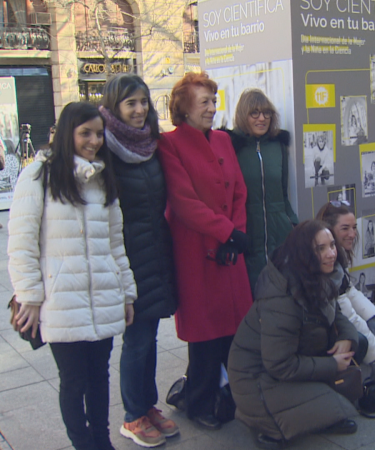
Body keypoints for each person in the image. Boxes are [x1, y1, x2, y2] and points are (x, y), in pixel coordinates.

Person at [8, 102, 136, 450]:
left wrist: (126, 292)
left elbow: (115, 243)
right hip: (61, 300)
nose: (94, 141)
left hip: (104, 295)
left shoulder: (103, 178)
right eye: (85, 133)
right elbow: (21, 244)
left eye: (98, 134)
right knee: (73, 380)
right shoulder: (38, 175)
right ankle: (83, 444)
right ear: (68, 133)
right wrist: (30, 297)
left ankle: (102, 440)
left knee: (99, 378)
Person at [158, 72, 253, 430]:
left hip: (229, 251)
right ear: (183, 109)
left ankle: (227, 394)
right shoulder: (170, 144)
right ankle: (198, 401)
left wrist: (237, 233)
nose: (213, 109)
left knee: (233, 329)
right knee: (205, 335)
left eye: (214, 102)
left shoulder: (224, 141)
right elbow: (183, 202)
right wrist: (227, 233)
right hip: (197, 253)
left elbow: (239, 191)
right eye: (205, 103)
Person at [228, 220, 360, 449]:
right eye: (321, 249)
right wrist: (332, 365)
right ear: (304, 254)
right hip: (256, 380)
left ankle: (313, 413)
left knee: (342, 399)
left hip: (280, 368)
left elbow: (336, 313)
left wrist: (347, 337)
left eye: (332, 245)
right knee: (337, 406)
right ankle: (265, 427)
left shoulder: (315, 277)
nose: (331, 254)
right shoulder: (283, 298)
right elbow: (279, 365)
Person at [99, 74, 179, 447]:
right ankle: (132, 416)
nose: (139, 110)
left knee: (149, 336)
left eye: (144, 102)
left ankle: (147, 406)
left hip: (156, 252)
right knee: (137, 338)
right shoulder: (106, 148)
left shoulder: (150, 144)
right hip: (127, 256)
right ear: (114, 107)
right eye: (130, 103)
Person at [222, 88, 299, 293]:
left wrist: (292, 223)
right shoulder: (231, 146)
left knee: (282, 294)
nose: (262, 118)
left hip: (279, 230)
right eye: (254, 113)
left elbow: (284, 193)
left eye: (267, 113)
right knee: (251, 295)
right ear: (243, 115)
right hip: (247, 230)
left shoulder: (277, 146)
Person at [316, 201, 375, 379]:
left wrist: (372, 316)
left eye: (354, 228)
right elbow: (345, 310)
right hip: (319, 331)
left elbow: (348, 289)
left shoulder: (336, 256)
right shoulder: (324, 261)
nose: (352, 234)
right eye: (345, 228)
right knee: (361, 340)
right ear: (329, 230)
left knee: (369, 329)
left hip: (333, 323)